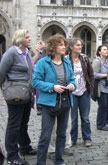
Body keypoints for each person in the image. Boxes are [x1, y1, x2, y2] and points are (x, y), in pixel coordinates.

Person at [32, 34, 76, 165]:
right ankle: (40, 162)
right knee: (45, 137)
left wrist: (73, 85)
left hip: (65, 103)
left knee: (62, 135)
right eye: (61, 45)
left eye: (64, 44)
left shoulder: (67, 62)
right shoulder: (43, 62)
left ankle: (59, 161)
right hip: (49, 105)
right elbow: (35, 82)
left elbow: (72, 79)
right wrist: (53, 87)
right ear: (53, 47)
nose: (64, 47)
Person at [0, 29, 37, 165]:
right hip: (15, 94)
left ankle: (25, 147)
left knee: (23, 122)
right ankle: (12, 155)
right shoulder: (11, 53)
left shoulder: (26, 53)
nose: (29, 39)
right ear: (20, 39)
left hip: (27, 93)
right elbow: (1, 73)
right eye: (27, 37)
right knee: (14, 124)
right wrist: (4, 91)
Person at [67, 38, 94, 147]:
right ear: (71, 47)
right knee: (73, 119)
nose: (80, 47)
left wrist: (90, 87)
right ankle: (73, 139)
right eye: (77, 45)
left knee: (85, 118)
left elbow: (91, 74)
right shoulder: (66, 59)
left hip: (84, 92)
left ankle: (87, 138)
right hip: (71, 93)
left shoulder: (85, 58)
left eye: (80, 45)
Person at [92, 45, 108, 131]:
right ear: (99, 52)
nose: (106, 51)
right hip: (101, 88)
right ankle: (100, 124)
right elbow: (94, 75)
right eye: (104, 49)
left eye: (107, 49)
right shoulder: (97, 61)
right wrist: (106, 75)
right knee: (102, 106)